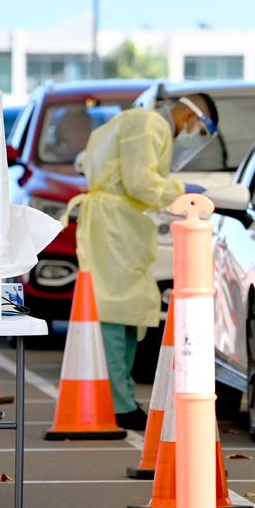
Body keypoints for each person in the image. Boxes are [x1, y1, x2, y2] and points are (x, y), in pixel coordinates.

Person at [68, 94, 217, 430]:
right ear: (191, 116)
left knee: (127, 307)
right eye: (201, 132)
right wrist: (181, 189)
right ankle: (117, 402)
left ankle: (119, 397)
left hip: (119, 222)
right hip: (114, 223)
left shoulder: (142, 124)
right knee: (116, 308)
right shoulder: (147, 123)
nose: (193, 138)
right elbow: (141, 182)